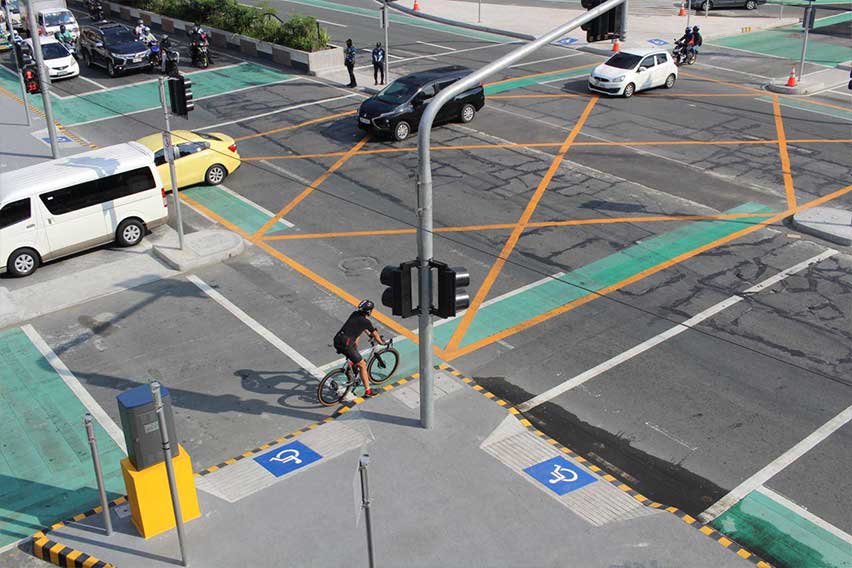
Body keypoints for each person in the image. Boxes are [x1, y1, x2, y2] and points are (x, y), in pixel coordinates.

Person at [333, 300, 385, 398]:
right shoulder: (366, 322)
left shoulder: (354, 314)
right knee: (362, 365)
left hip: (338, 340)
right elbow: (375, 335)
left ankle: (352, 366)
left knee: (354, 351)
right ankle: (368, 391)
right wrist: (382, 342)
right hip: (346, 344)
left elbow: (362, 328)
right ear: (369, 311)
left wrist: (369, 334)